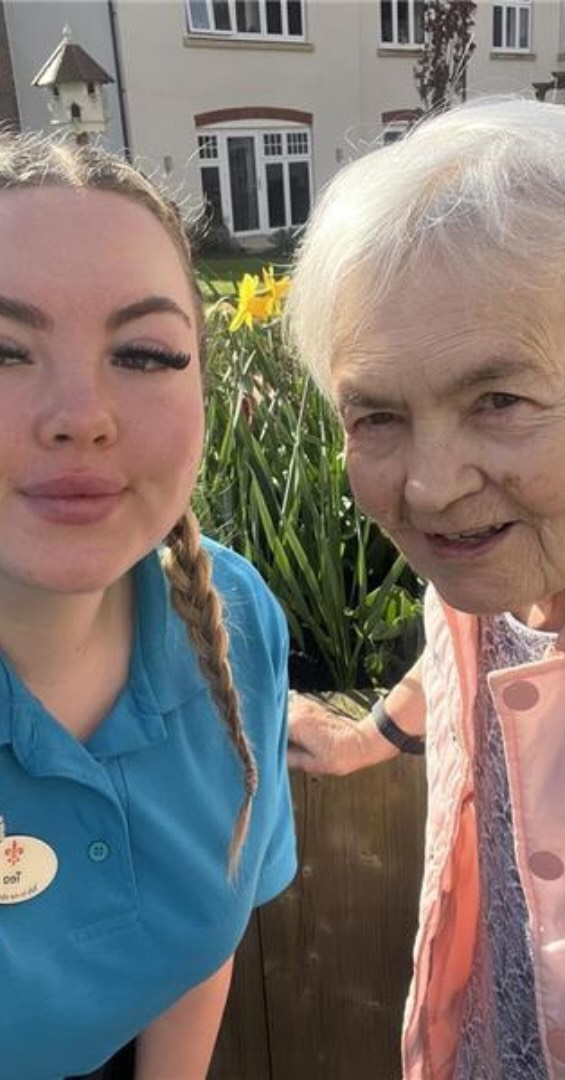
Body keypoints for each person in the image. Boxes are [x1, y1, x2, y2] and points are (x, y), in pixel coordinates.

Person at [285, 96, 565, 1078]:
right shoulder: (497, 564)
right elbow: (458, 652)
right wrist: (366, 740)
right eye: (376, 417)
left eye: (497, 399)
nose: (428, 488)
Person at [0, 130, 296, 1080]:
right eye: (4, 350)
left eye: (144, 352)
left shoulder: (232, 619)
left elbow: (198, 933)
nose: (81, 415)